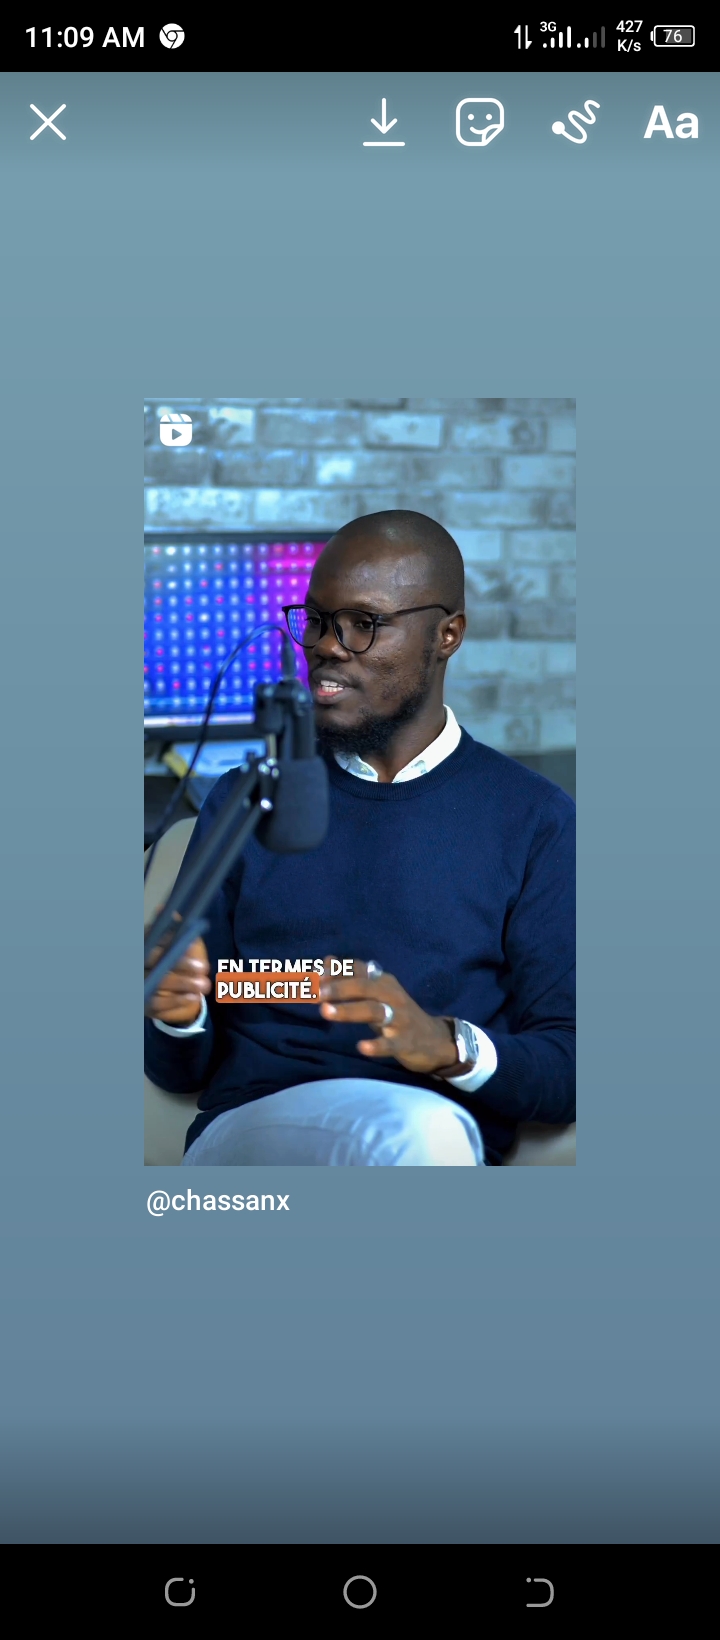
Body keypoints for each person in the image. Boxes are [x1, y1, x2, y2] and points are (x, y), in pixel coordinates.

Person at [144, 510, 575, 1167]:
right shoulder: (246, 800)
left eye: (363, 623)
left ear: (447, 635)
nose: (327, 645)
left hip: (438, 1139)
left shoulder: (535, 819)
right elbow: (179, 1064)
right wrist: (178, 1015)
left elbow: (569, 1064)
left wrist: (447, 1045)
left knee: (421, 1135)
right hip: (257, 1126)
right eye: (318, 620)